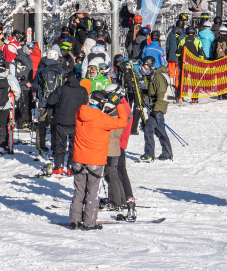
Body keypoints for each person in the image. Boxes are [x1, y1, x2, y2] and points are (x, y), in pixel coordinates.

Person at [69, 90, 130, 231]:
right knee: (92, 192)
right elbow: (122, 121)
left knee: (78, 191)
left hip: (79, 159)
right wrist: (118, 103)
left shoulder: (79, 113)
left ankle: (74, 221)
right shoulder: (103, 119)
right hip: (95, 161)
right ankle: (89, 223)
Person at [48, 58, 88, 174]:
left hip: (62, 121)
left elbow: (51, 101)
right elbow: (85, 104)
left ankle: (59, 167)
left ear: (66, 79)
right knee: (74, 146)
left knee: (60, 145)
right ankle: (71, 167)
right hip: (77, 122)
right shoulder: (83, 90)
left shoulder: (61, 89)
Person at [102, 85, 136, 218]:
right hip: (118, 143)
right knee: (118, 173)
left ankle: (123, 198)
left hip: (118, 144)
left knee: (115, 173)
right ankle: (123, 198)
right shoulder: (121, 105)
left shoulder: (123, 108)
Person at [34, 47, 67, 157]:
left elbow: (35, 85)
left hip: (43, 101)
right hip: (56, 102)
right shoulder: (61, 70)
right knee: (55, 125)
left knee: (41, 124)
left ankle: (40, 147)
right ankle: (54, 147)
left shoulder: (40, 70)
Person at [142, 61, 173, 161]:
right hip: (156, 106)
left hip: (159, 107)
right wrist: (140, 91)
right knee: (160, 131)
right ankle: (167, 153)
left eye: (145, 66)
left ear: (150, 66)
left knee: (148, 128)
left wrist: (156, 110)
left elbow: (161, 94)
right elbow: (152, 92)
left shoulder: (158, 77)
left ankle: (149, 154)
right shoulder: (152, 77)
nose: (144, 69)